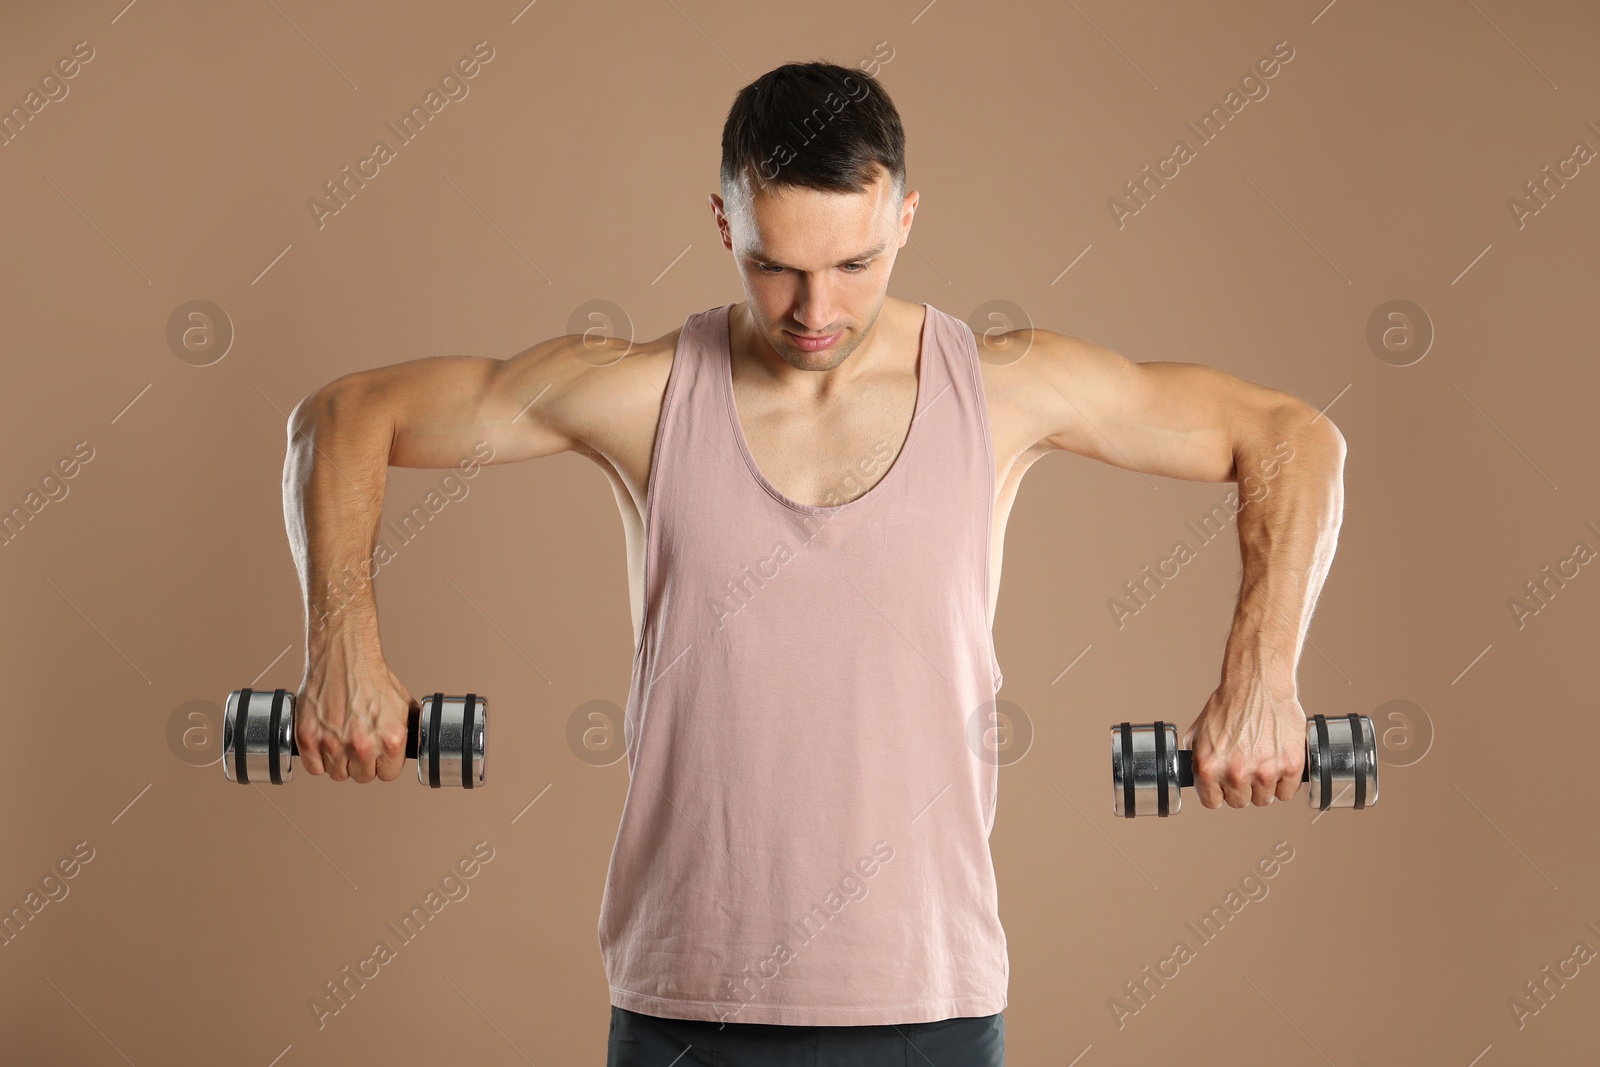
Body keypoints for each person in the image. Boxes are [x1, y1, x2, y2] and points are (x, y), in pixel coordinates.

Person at [282, 60, 1345, 1067]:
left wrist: (1262, 672)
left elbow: (1295, 439)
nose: (814, 311)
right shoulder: (644, 390)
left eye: (853, 264)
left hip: (930, 1004)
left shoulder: (1006, 389)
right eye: (774, 266)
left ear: (905, 219)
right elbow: (344, 416)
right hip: (681, 1004)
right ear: (723, 221)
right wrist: (345, 646)